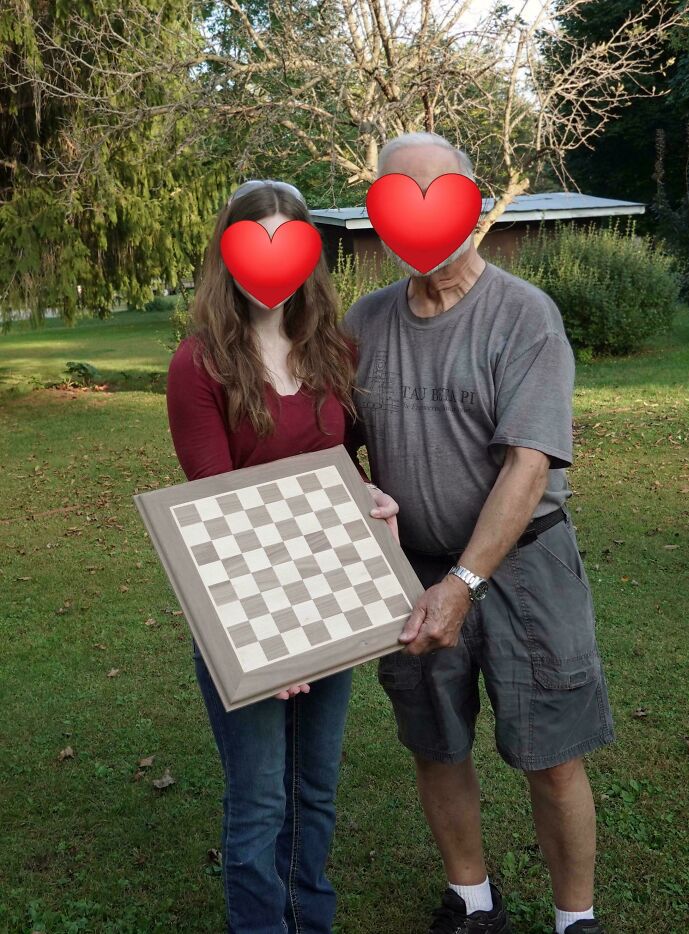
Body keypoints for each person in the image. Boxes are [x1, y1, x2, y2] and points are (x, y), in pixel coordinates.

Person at [342, 133, 615, 934]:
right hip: (413, 571)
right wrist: (350, 488)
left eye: (435, 194)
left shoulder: (524, 314)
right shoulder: (366, 321)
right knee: (437, 742)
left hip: (525, 570)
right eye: (397, 198)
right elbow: (337, 440)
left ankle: (576, 920)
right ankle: (471, 901)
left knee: (553, 753)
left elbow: (528, 465)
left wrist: (464, 583)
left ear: (471, 198)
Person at [166, 178, 398, 934]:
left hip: (333, 594)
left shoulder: (334, 350)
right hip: (245, 606)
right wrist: (278, 642)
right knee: (260, 798)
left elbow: (333, 463)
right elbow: (215, 503)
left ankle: (311, 921)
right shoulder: (199, 364)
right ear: (226, 257)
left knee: (317, 789)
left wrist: (371, 501)